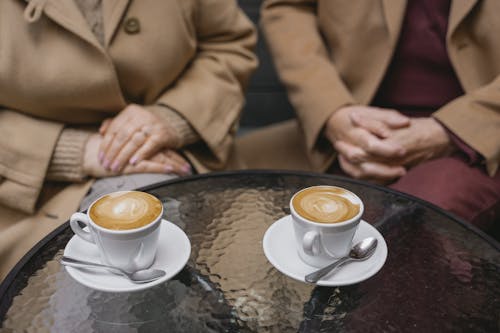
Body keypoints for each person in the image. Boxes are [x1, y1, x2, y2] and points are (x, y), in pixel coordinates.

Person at [0, 0, 257, 281]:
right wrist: (70, 150)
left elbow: (228, 43)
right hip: (28, 191)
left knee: (233, 282)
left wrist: (176, 115)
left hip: (173, 153)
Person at [233, 0, 500, 236]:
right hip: (352, 119)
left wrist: (450, 131)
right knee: (223, 180)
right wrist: (331, 111)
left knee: (408, 224)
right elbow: (288, 7)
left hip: (480, 140)